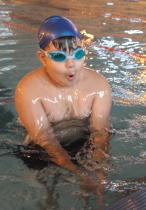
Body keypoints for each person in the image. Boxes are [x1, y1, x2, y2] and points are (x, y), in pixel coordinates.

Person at [14, 16, 112, 195]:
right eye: (59, 56)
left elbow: (100, 132)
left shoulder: (99, 86)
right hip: (41, 150)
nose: (71, 64)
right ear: (42, 58)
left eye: (78, 54)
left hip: (84, 144)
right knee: (45, 194)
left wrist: (98, 170)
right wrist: (79, 174)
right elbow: (44, 139)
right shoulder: (28, 90)